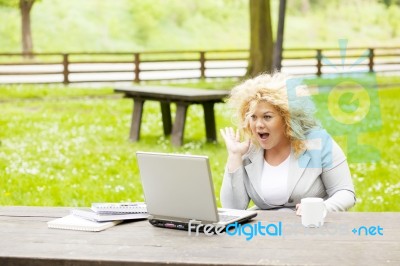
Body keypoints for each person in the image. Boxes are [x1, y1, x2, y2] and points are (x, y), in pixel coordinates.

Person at [220, 73, 356, 214]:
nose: (258, 125)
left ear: (288, 119)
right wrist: (234, 157)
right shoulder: (248, 151)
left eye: (267, 117)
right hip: (266, 232)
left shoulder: (318, 143)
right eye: (253, 117)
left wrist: (321, 208)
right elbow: (232, 209)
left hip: (312, 227)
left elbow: (345, 193)